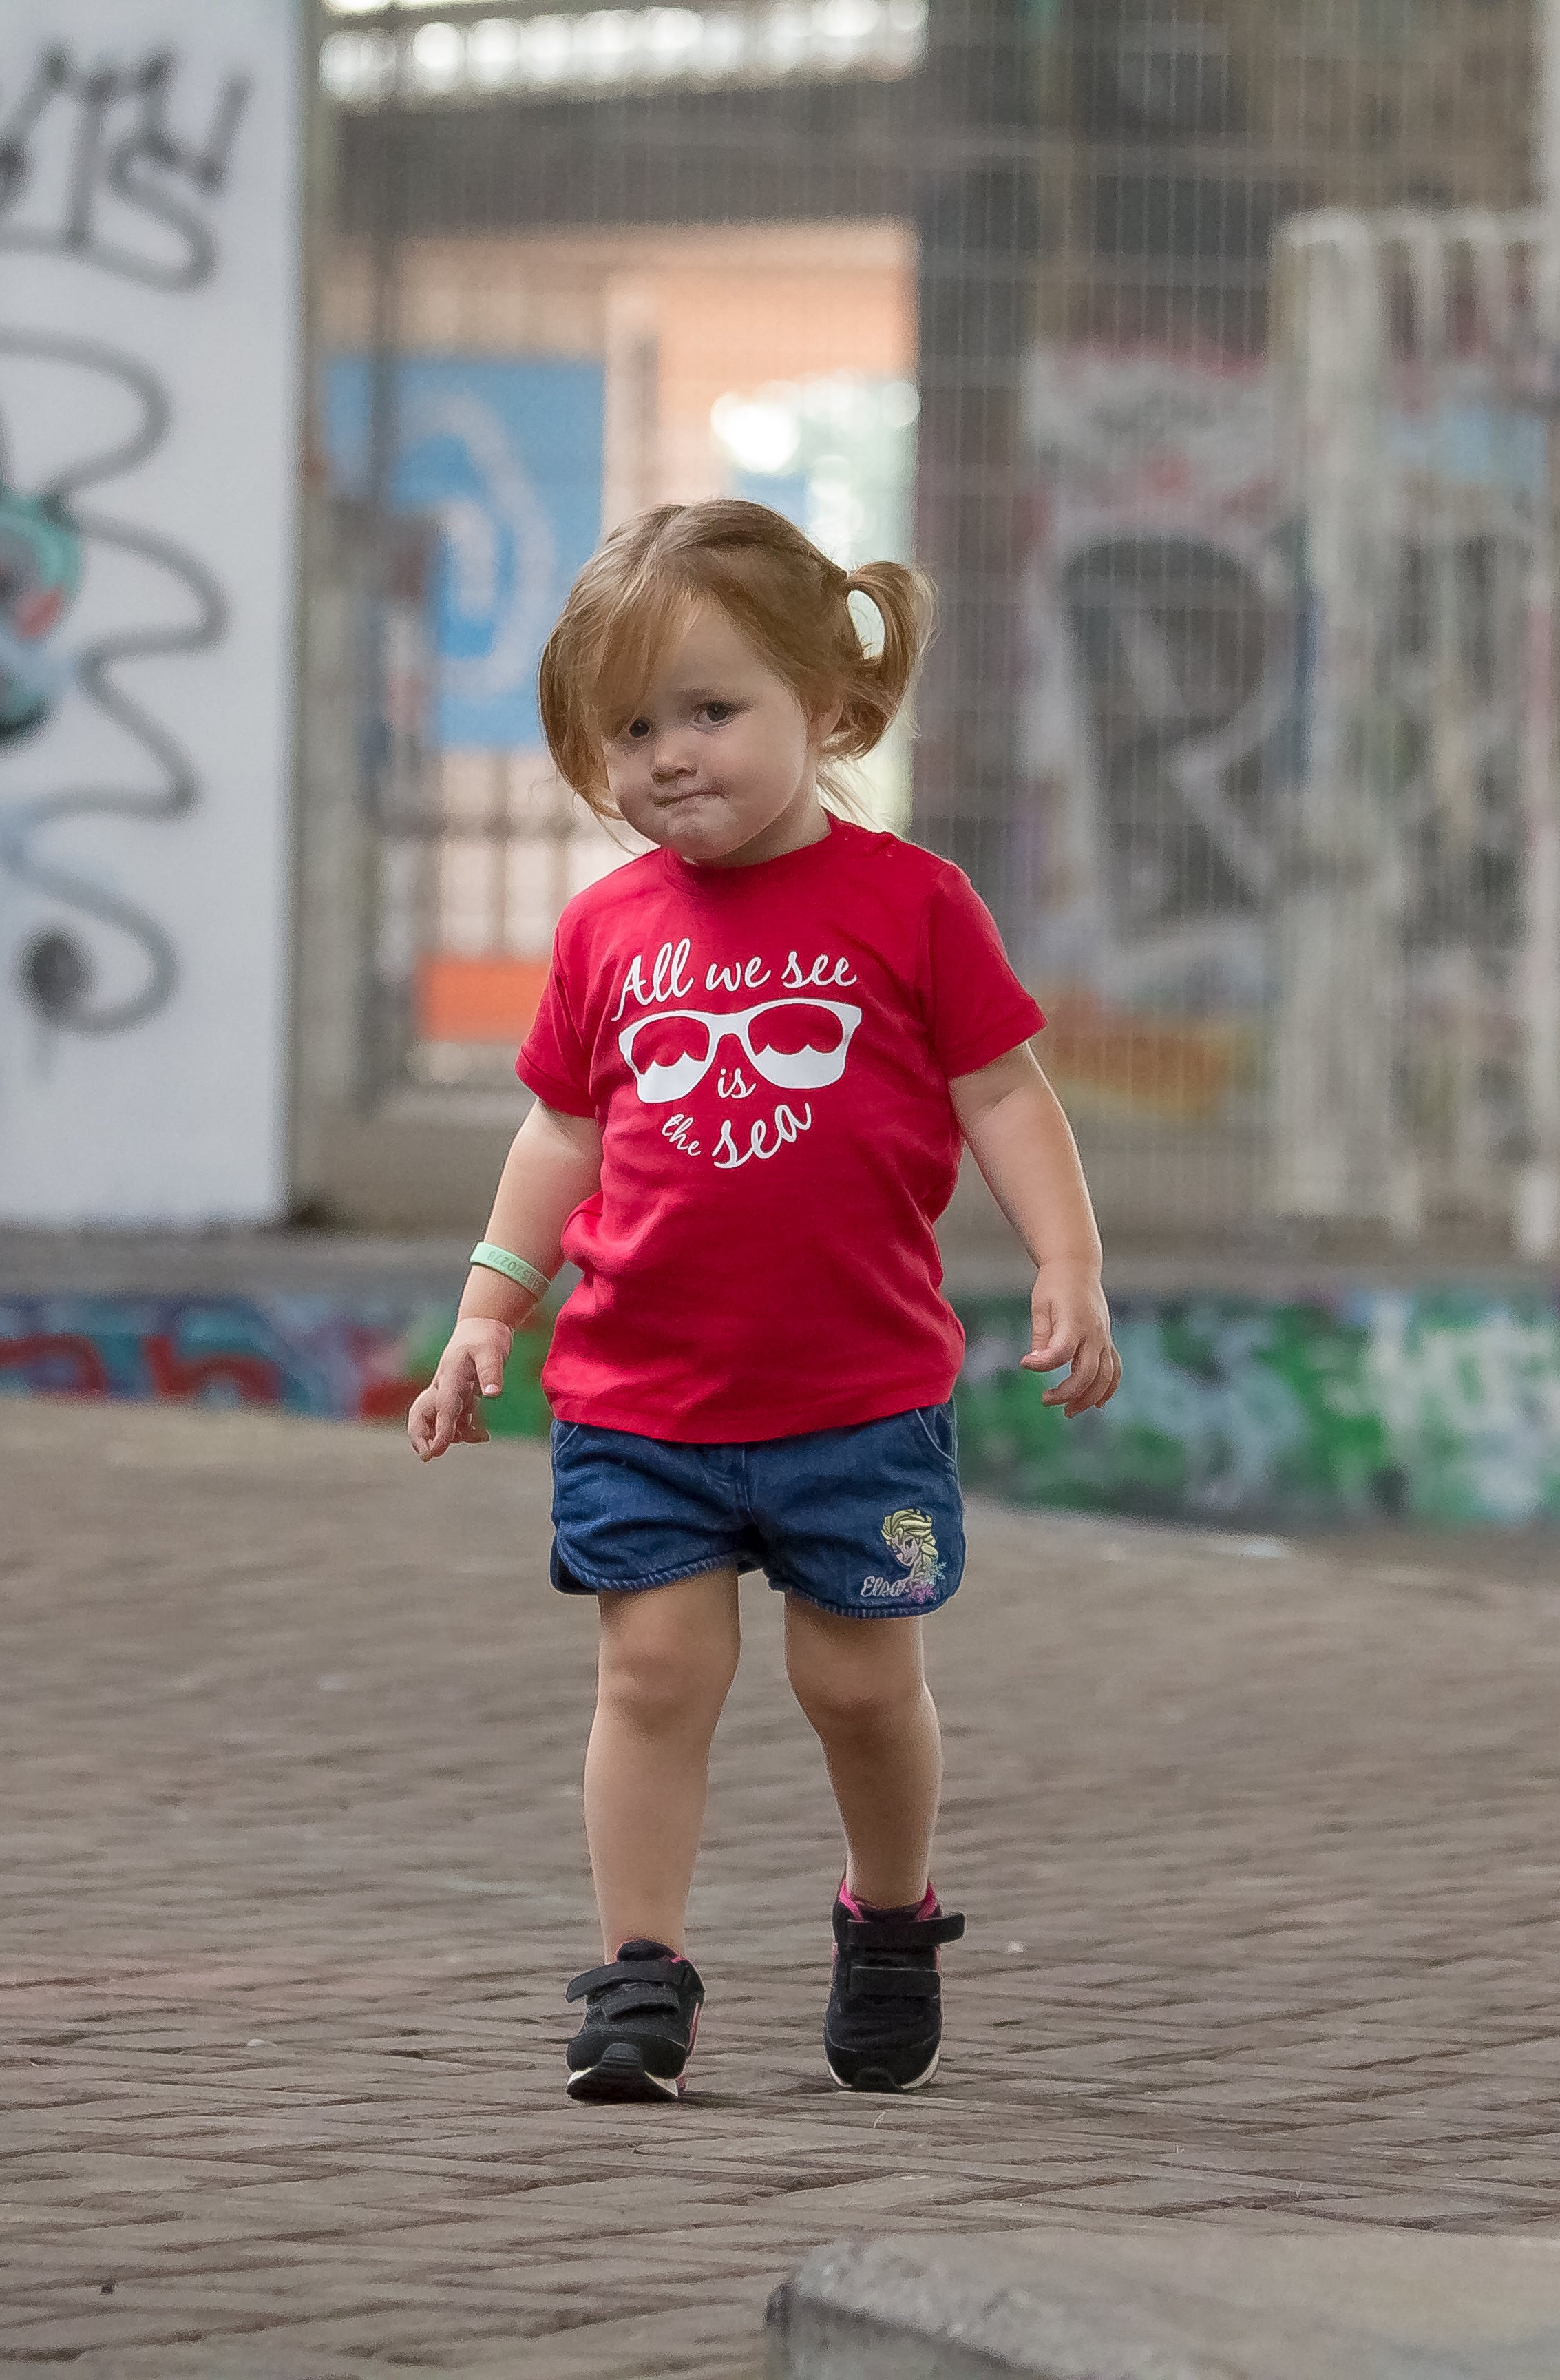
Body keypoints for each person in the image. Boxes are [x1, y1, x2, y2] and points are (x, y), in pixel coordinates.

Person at [406, 499, 1121, 2102]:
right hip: (640, 1398)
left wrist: (1067, 1265)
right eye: (630, 729)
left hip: (857, 1400)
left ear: (833, 709)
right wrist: (486, 1315)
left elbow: (1006, 1097)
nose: (667, 756)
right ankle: (640, 1978)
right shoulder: (606, 931)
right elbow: (562, 1132)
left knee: (858, 1683)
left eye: (710, 712)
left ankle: (887, 1918)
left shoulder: (914, 903)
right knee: (651, 1679)